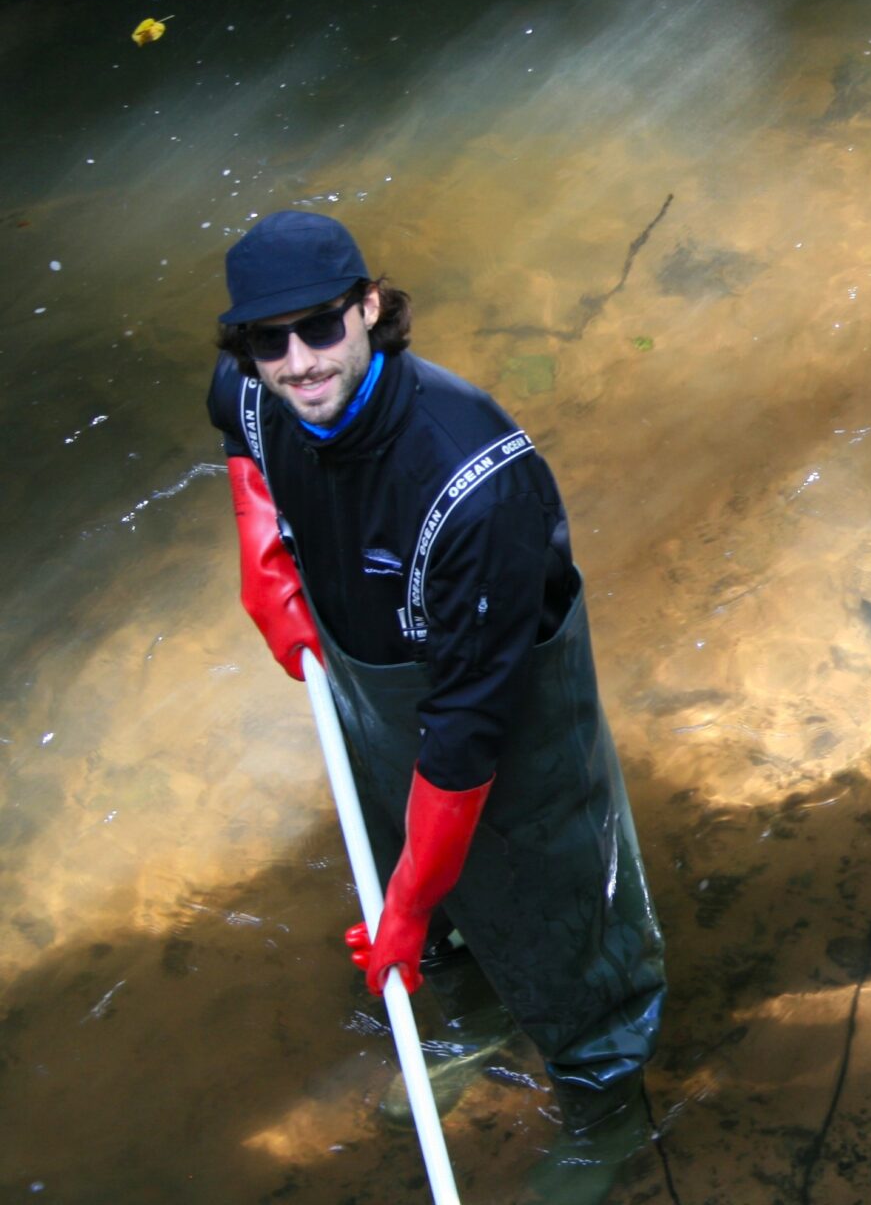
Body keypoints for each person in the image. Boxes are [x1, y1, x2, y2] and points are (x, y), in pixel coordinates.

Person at [206, 210, 666, 1204]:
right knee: (394, 870)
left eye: (321, 326)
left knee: (556, 911)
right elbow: (237, 427)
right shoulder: (256, 388)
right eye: (265, 338)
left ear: (370, 308)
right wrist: (260, 550)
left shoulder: (474, 478)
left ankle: (607, 1100)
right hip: (373, 691)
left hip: (505, 723)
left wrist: (410, 903)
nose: (295, 362)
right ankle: (463, 1018)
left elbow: (466, 736)